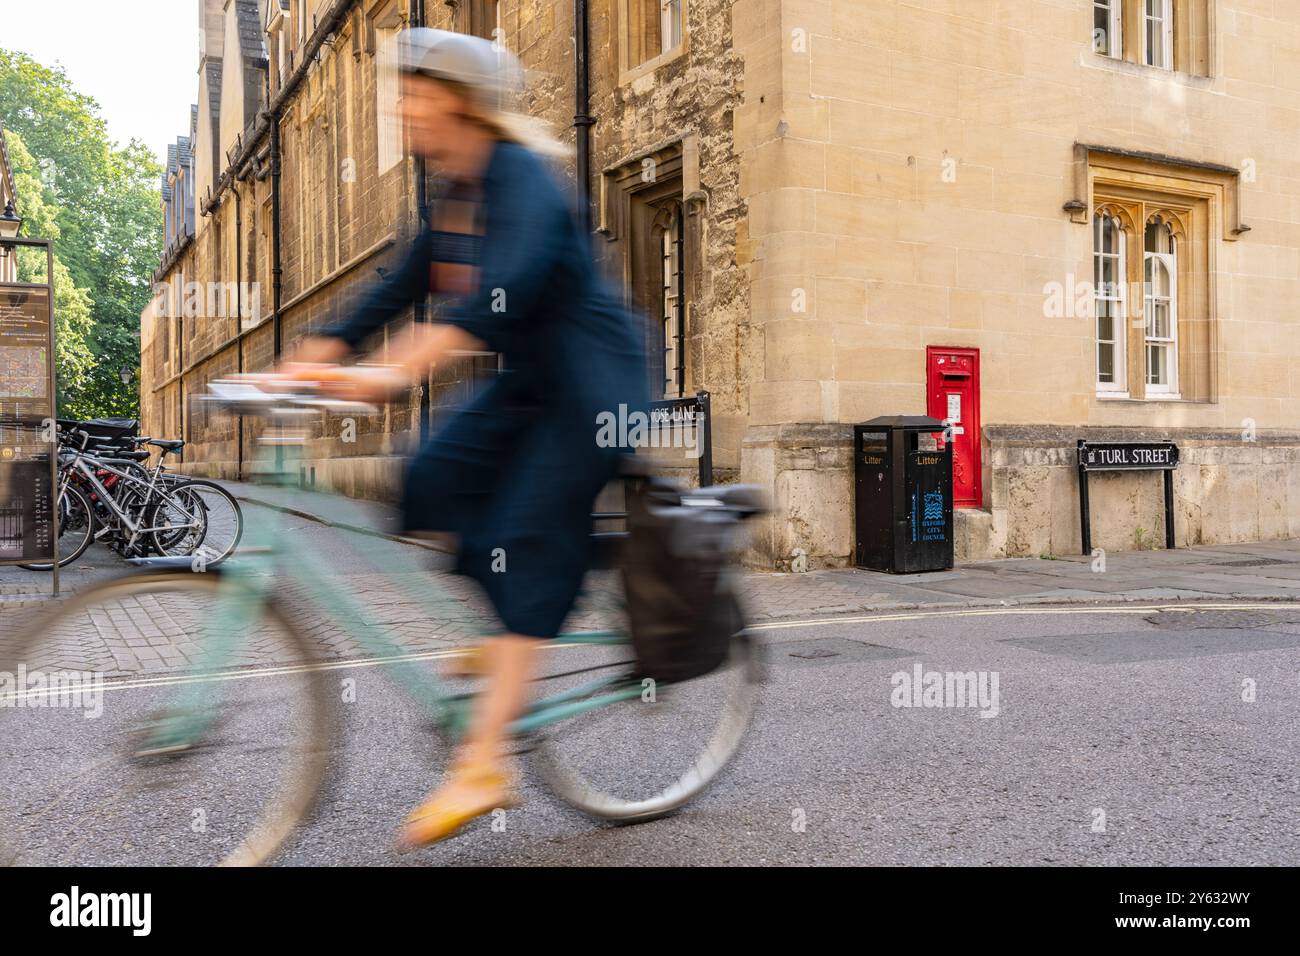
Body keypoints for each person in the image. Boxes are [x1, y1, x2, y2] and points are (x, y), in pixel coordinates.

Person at [284, 29, 648, 848]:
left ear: (457, 101)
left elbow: (504, 293)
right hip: (528, 387)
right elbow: (397, 286)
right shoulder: (451, 194)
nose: (402, 108)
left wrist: (395, 370)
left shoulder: (525, 182)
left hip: (592, 391)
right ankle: (514, 619)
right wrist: (312, 356)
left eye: (414, 93)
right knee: (429, 475)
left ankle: (487, 762)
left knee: (523, 535)